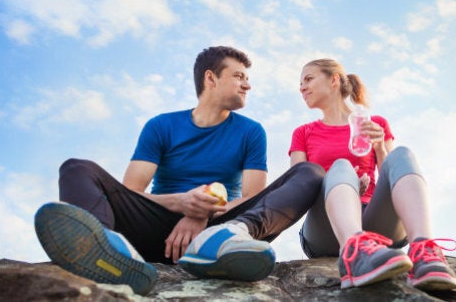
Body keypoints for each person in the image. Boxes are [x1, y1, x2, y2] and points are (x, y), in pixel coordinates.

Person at [34, 46, 325, 295]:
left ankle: (224, 243)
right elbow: (132, 190)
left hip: (223, 227)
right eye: (238, 76)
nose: (247, 85)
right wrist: (183, 203)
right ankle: (104, 249)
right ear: (210, 78)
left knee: (310, 172)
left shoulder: (251, 132)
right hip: (157, 228)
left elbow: (252, 196)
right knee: (76, 168)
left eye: (247, 79)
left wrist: (202, 213)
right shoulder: (162, 125)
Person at [289, 58, 456, 291]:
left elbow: (392, 175)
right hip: (325, 228)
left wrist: (379, 146)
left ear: (334, 80)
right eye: (301, 83)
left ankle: (424, 251)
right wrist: (342, 187)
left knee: (401, 154)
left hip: (375, 222)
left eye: (308, 79)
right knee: (341, 166)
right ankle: (354, 253)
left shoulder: (374, 123)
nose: (302, 87)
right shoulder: (303, 133)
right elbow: (297, 187)